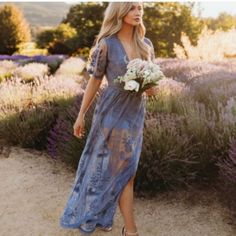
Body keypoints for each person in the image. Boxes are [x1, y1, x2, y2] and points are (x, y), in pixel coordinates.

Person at [59, 2, 158, 235]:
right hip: (112, 114)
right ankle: (131, 231)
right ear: (120, 12)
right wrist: (81, 114)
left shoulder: (146, 45)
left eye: (140, 8)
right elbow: (95, 80)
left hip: (135, 115)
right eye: (132, 8)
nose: (138, 12)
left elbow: (151, 83)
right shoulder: (107, 45)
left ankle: (106, 216)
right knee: (125, 172)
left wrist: (151, 88)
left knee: (126, 171)